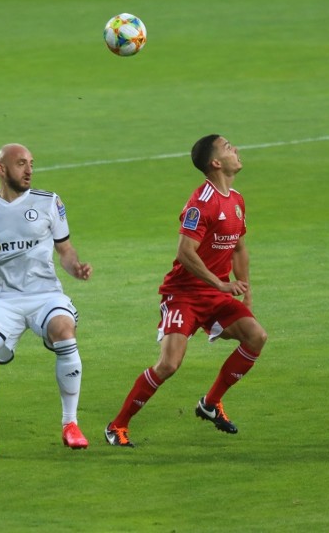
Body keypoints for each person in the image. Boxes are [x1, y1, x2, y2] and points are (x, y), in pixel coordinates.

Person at [104, 134, 268, 447]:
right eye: (228, 147)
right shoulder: (201, 203)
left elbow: (238, 249)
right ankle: (117, 426)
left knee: (256, 336)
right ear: (216, 162)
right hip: (184, 294)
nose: (236, 149)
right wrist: (220, 282)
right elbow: (185, 252)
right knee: (168, 364)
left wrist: (245, 291)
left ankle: (210, 403)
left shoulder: (236, 200)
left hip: (216, 295)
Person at [0, 143, 93, 462]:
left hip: (45, 295)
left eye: (31, 163)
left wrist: (76, 268)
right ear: (1, 170)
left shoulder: (49, 202)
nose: (29, 170)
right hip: (3, 299)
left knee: (64, 329)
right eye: (21, 164)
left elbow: (65, 250)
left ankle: (70, 424)